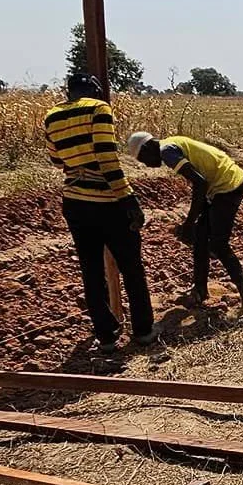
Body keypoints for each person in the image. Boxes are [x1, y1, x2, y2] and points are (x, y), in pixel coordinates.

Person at [43, 68, 154, 348]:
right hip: (108, 203)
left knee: (91, 271)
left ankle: (105, 336)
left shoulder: (51, 116)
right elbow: (107, 159)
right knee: (131, 267)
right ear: (95, 91)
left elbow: (57, 162)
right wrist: (128, 199)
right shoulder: (99, 109)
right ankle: (142, 331)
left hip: (74, 202)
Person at [128, 130, 243, 310]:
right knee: (201, 237)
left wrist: (188, 224)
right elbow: (201, 182)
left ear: (147, 147)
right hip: (222, 184)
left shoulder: (166, 151)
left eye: (143, 159)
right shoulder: (171, 143)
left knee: (219, 244)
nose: (146, 165)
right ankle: (200, 290)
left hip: (228, 186)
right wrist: (193, 222)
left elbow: (200, 183)